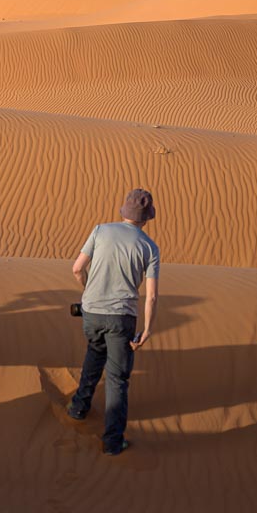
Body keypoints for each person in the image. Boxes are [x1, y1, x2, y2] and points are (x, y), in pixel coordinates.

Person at [67, 189, 160, 456]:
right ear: (146, 218)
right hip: (122, 317)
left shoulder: (100, 231)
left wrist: (88, 291)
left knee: (94, 354)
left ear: (125, 211)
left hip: (91, 312)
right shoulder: (149, 247)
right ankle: (112, 441)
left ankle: (78, 408)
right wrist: (148, 329)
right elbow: (151, 296)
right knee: (118, 379)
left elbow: (76, 268)